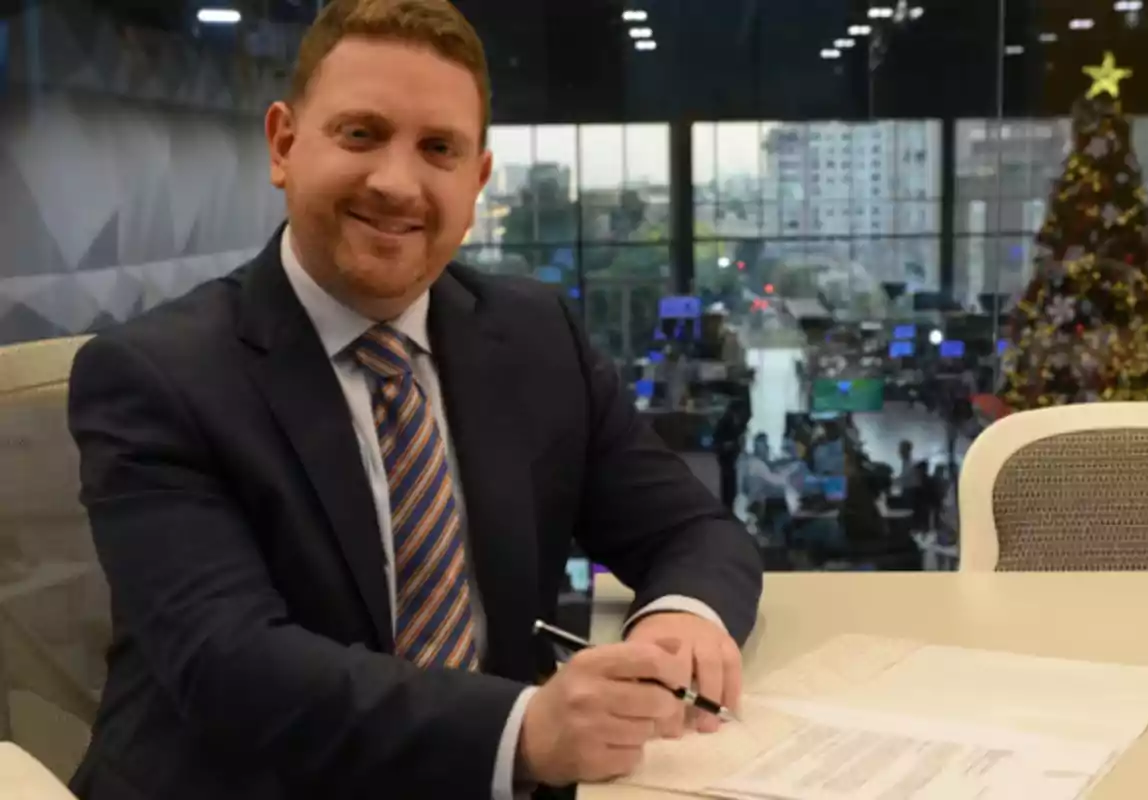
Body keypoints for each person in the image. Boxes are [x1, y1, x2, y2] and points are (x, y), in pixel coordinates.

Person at [64, 2, 762, 799]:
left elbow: (690, 528)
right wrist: (524, 732)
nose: (397, 183)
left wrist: (680, 619)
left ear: (478, 180)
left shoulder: (534, 336)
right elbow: (231, 667)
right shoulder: (153, 376)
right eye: (360, 134)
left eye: (439, 149)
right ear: (284, 144)